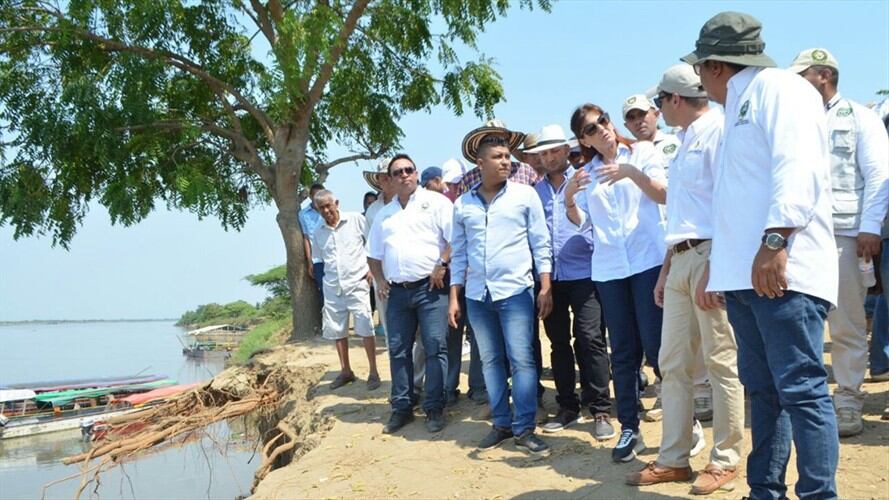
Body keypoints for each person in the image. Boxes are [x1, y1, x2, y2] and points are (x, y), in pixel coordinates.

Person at [683, 12, 839, 499]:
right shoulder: (736, 107)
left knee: (802, 390)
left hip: (783, 270)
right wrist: (719, 266)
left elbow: (799, 166)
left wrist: (775, 241)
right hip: (743, 276)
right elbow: (735, 197)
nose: (699, 78)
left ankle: (818, 494)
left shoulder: (781, 88)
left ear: (715, 65)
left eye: (700, 68)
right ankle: (764, 491)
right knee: (764, 392)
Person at [626, 63, 744, 495]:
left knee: (721, 362)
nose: (657, 108)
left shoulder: (718, 131)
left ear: (675, 98)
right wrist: (666, 268)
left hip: (711, 254)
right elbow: (681, 211)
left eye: (660, 100)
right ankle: (674, 458)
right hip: (679, 257)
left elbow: (729, 202)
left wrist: (718, 266)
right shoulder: (684, 139)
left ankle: (725, 458)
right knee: (672, 363)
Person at [788, 47, 889, 437]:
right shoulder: (795, 120)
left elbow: (878, 175)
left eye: (803, 75)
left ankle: (848, 398)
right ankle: (810, 399)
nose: (797, 82)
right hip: (802, 234)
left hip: (845, 233)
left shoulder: (860, 118)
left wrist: (870, 227)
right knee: (802, 319)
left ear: (824, 75)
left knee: (846, 321)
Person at [565, 103, 666, 463]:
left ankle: (683, 421)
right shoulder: (586, 173)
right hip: (609, 269)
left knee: (657, 347)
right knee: (622, 352)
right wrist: (569, 198)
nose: (602, 129)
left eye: (603, 121)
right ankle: (629, 427)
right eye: (591, 129)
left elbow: (665, 194)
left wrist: (631, 173)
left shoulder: (643, 152)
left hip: (647, 260)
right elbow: (580, 221)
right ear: (584, 139)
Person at [449, 134, 553, 456]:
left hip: (516, 291)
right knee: (491, 361)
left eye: (508, 156)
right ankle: (501, 424)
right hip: (477, 296)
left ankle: (524, 429)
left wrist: (545, 285)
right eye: (498, 157)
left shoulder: (525, 195)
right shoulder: (463, 204)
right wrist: (454, 297)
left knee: (522, 359)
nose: (506, 162)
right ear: (480, 164)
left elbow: (540, 242)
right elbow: (459, 254)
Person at [527, 124, 614, 441]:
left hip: (586, 272)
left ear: (567, 150)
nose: (549, 157)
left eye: (554, 151)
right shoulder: (534, 193)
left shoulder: (585, 180)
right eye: (543, 153)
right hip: (550, 278)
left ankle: (601, 408)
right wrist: (543, 283)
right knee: (559, 342)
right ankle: (567, 406)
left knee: (591, 338)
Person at [367, 154, 453, 434]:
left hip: (431, 289)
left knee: (435, 347)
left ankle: (434, 407)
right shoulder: (384, 215)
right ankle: (401, 407)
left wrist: (442, 264)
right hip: (398, 293)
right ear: (390, 180)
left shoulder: (436, 203)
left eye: (408, 170)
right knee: (398, 349)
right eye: (398, 172)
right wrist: (380, 280)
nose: (404, 175)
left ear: (416, 173)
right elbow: (373, 255)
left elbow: (455, 239)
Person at [313, 190, 381, 391]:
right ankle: (346, 371)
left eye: (328, 205)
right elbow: (319, 258)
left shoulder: (355, 220)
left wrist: (372, 270)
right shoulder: (318, 231)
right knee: (337, 330)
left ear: (337, 203)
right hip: (333, 286)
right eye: (321, 208)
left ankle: (373, 371)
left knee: (365, 326)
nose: (326, 210)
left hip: (357, 282)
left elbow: (372, 243)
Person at [363, 159, 395, 338]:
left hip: (409, 273)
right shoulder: (372, 211)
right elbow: (369, 246)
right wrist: (375, 274)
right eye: (383, 177)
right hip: (382, 273)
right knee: (388, 320)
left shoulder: (410, 203)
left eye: (390, 176)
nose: (387, 180)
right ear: (378, 180)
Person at [622, 94, 682, 172]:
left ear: (656, 114)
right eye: (631, 118)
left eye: (642, 114)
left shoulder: (678, 142)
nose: (637, 121)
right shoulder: (626, 158)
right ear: (626, 126)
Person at [299, 183, 327, 306]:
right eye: (316, 195)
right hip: (317, 259)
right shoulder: (303, 214)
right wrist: (309, 261)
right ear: (310, 196)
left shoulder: (328, 210)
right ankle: (326, 316)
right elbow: (306, 238)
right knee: (322, 288)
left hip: (332, 255)